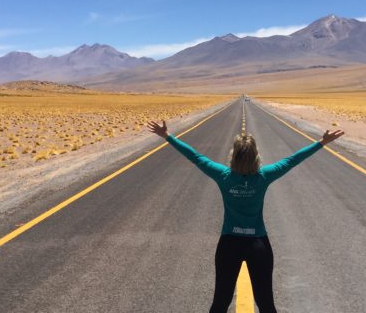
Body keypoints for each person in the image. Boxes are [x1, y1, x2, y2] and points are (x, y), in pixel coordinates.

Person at [147, 119, 344, 313]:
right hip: (258, 245)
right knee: (266, 304)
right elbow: (291, 161)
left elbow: (196, 157)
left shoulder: (223, 176)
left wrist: (167, 136)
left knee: (220, 303)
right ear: (256, 155)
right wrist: (321, 142)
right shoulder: (264, 176)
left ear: (233, 156)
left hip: (229, 245)